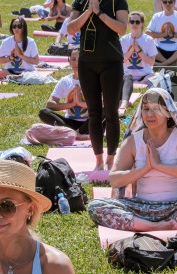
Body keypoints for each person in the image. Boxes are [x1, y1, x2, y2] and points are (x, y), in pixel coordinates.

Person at [88, 88, 177, 232]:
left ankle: (145, 224)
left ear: (168, 113)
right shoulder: (132, 141)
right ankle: (154, 226)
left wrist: (159, 165)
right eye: (146, 109)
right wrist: (146, 168)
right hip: (142, 207)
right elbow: (115, 179)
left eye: (156, 109)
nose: (149, 114)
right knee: (96, 206)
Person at [68, 0, 129, 172]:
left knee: (110, 112)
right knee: (93, 113)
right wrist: (88, 11)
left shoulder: (117, 1)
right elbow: (71, 28)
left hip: (111, 63)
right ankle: (98, 160)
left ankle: (110, 159)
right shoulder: (80, 2)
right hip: (87, 63)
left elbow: (122, 28)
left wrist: (100, 13)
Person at [39, 47, 89, 139]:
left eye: (80, 59)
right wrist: (71, 104)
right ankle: (74, 133)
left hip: (89, 123)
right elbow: (49, 104)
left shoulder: (92, 79)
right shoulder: (65, 81)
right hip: (69, 123)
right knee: (43, 112)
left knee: (106, 110)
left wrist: (81, 103)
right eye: (73, 60)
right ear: (69, 61)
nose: (76, 63)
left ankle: (75, 133)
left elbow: (101, 103)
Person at [119, 11, 156, 112]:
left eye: (137, 22)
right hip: (127, 76)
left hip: (145, 76)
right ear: (129, 23)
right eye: (132, 21)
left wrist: (139, 51)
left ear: (142, 24)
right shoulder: (123, 40)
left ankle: (139, 82)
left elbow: (152, 62)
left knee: (156, 77)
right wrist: (132, 50)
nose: (134, 24)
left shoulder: (148, 40)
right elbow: (121, 60)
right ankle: (133, 84)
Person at [146, 0, 177, 67]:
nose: (167, 4)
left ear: (174, 3)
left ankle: (162, 64)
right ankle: (169, 63)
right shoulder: (157, 16)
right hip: (160, 53)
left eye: (170, 2)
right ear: (162, 3)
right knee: (147, 43)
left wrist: (173, 35)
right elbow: (147, 33)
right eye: (165, 2)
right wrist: (163, 34)